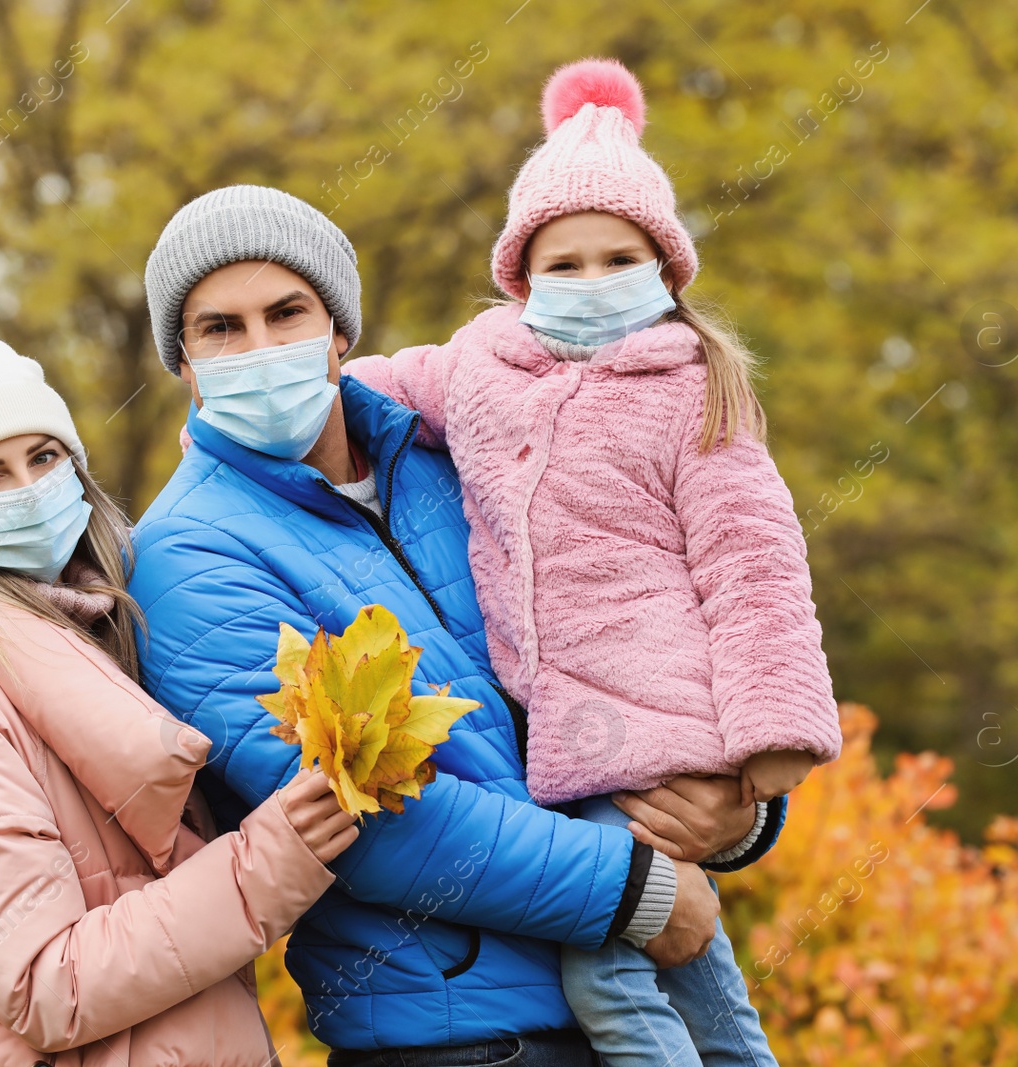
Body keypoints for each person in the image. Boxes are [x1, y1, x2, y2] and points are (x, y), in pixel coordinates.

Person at [129, 184, 787, 1065]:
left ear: (340, 332)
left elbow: (640, 611)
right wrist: (637, 888)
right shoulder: (186, 555)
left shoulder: (457, 447)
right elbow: (365, 819)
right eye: (220, 328)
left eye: (287, 312)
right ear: (182, 361)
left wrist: (735, 807)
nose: (259, 348)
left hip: (642, 997)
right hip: (466, 1036)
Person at [342, 59, 844, 1067]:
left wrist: (773, 735)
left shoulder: (694, 392)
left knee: (608, 973)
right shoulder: (481, 366)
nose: (589, 281)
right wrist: (271, 412)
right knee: (703, 974)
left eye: (617, 257)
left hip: (658, 723)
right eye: (562, 262)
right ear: (521, 274)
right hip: (567, 740)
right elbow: (379, 384)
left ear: (665, 270)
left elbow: (753, 566)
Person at [0, 332, 357, 1067]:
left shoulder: (97, 638)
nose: (29, 490)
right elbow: (49, 985)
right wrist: (263, 866)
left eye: (43, 458)